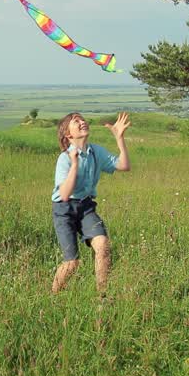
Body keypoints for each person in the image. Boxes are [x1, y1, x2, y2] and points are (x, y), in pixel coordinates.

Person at [50, 112, 131, 295]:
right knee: (72, 263)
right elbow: (64, 194)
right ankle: (53, 296)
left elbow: (124, 166)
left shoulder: (96, 152)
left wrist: (119, 138)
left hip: (86, 206)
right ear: (68, 134)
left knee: (103, 245)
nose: (82, 122)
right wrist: (75, 164)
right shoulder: (64, 159)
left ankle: (102, 297)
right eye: (76, 121)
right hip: (64, 209)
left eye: (82, 119)